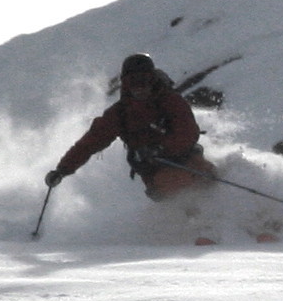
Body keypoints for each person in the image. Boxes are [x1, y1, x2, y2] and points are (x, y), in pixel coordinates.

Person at [47, 54, 218, 201]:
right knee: (176, 185)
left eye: (145, 80)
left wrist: (160, 148)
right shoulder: (120, 113)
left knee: (209, 177)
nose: (140, 87)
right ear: (125, 84)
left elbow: (188, 132)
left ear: (153, 79)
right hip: (155, 171)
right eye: (132, 82)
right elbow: (89, 143)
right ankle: (194, 228)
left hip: (186, 158)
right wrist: (62, 170)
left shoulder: (170, 101)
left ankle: (228, 224)